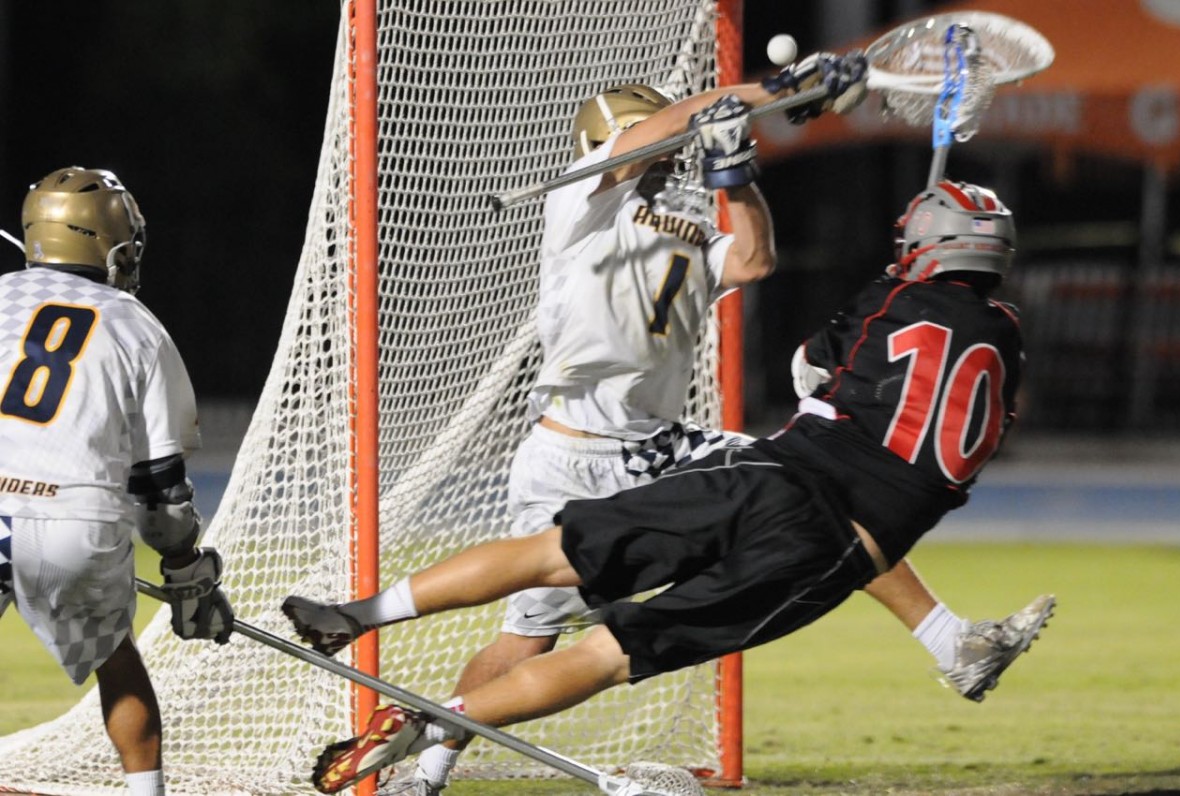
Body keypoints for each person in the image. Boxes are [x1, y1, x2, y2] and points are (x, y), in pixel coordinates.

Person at [287, 57, 1051, 792]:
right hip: (575, 445)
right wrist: (773, 90)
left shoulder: (682, 226)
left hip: (659, 444)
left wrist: (735, 173)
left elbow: (752, 261)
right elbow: (673, 124)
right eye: (659, 135)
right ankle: (421, 760)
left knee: (823, 493)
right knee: (533, 627)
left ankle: (950, 640)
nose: (673, 147)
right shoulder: (584, 201)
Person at [0, 167, 235, 796]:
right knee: (117, 659)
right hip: (71, 518)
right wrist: (186, 572)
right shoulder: (135, 323)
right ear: (110, 244)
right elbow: (159, 484)